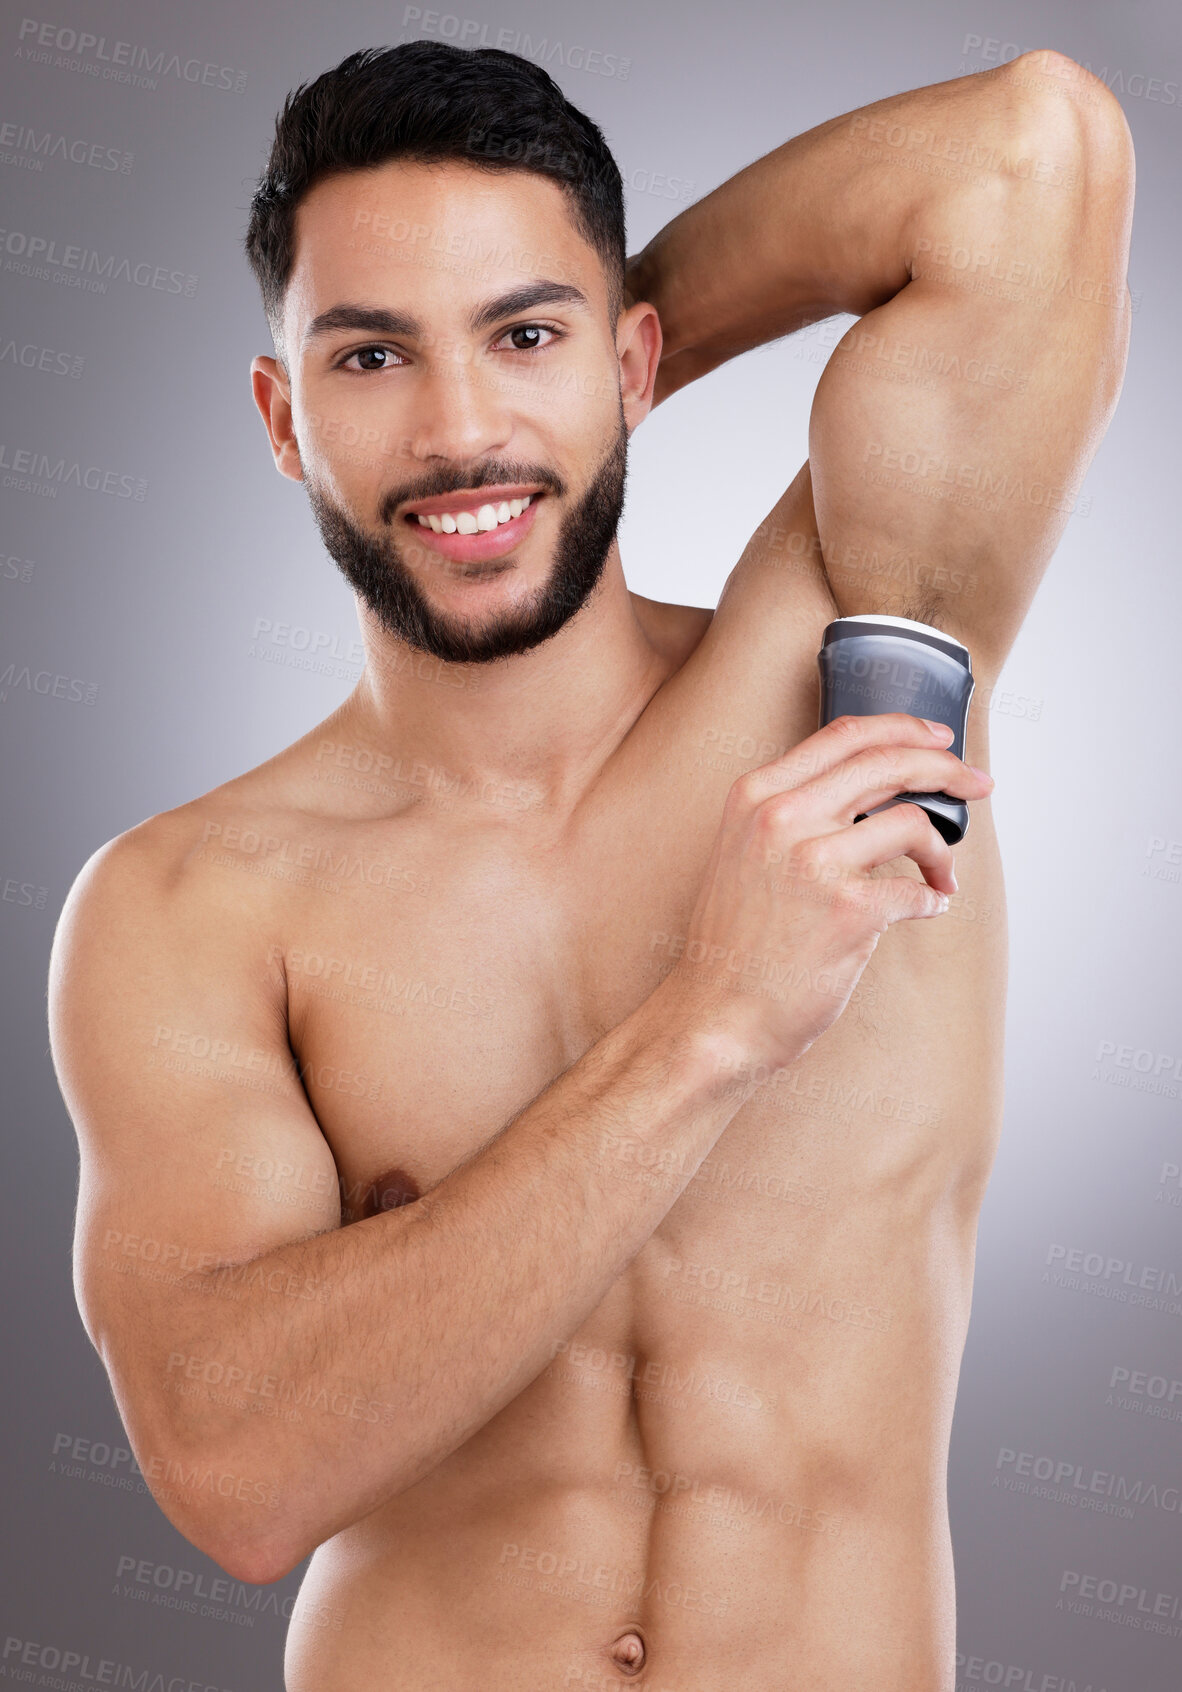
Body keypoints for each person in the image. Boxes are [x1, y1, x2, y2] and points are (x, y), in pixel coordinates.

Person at [47, 40, 1133, 1691]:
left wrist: (593, 379)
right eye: (370, 358)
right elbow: (237, 1477)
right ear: (280, 419)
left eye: (525, 335)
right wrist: (710, 1019)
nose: (460, 426)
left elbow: (1026, 156)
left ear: (632, 360)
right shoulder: (191, 905)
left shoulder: (854, 661)